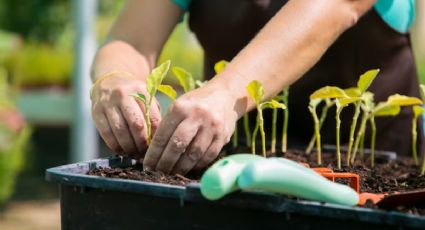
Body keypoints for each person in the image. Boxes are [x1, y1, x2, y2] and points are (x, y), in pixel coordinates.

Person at [90, 0, 422, 175]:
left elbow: (335, 6)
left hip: (367, 172)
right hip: (234, 172)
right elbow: (130, 39)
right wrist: (114, 78)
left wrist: (226, 91)